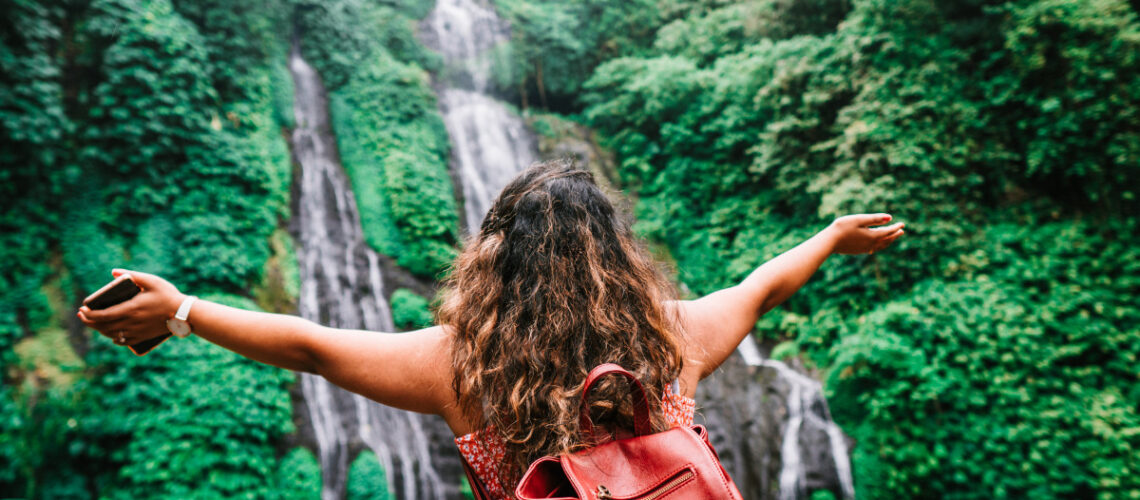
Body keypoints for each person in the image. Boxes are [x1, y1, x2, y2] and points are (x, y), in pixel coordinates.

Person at [78, 160, 904, 498]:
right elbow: (761, 286)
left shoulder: (462, 368)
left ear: (494, 258)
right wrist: (831, 236)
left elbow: (309, 344)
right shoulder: (670, 340)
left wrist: (182, 311)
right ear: (616, 255)